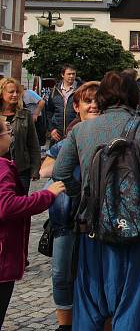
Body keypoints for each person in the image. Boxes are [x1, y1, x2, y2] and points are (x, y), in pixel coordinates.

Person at [52, 70, 140, 331]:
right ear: (133, 96)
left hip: (93, 226)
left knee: (90, 299)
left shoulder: (81, 130)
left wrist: (83, 194)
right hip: (136, 226)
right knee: (134, 300)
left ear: (103, 97)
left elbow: (60, 173)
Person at [39, 80, 100, 331]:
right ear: (77, 106)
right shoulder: (68, 140)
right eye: (88, 101)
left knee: (95, 275)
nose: (94, 105)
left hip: (97, 219)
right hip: (65, 218)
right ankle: (65, 325)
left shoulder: (110, 136)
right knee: (62, 273)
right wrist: (72, 156)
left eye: (98, 101)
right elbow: (44, 171)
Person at [0, 117, 65, 328]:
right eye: (7, 130)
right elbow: (7, 206)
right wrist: (47, 195)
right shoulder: (2, 169)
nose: (11, 134)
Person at [0, 78, 41, 194]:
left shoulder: (25, 114)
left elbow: (33, 143)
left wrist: (35, 169)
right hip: (1, 168)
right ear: (2, 93)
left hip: (21, 169)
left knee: (21, 205)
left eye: (17, 92)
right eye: (11, 92)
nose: (15, 95)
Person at [46, 64, 80, 144]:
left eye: (73, 74)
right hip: (57, 134)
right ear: (62, 75)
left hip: (75, 132)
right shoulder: (55, 91)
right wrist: (52, 129)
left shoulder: (80, 90)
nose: (71, 76)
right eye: (69, 74)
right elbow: (49, 111)